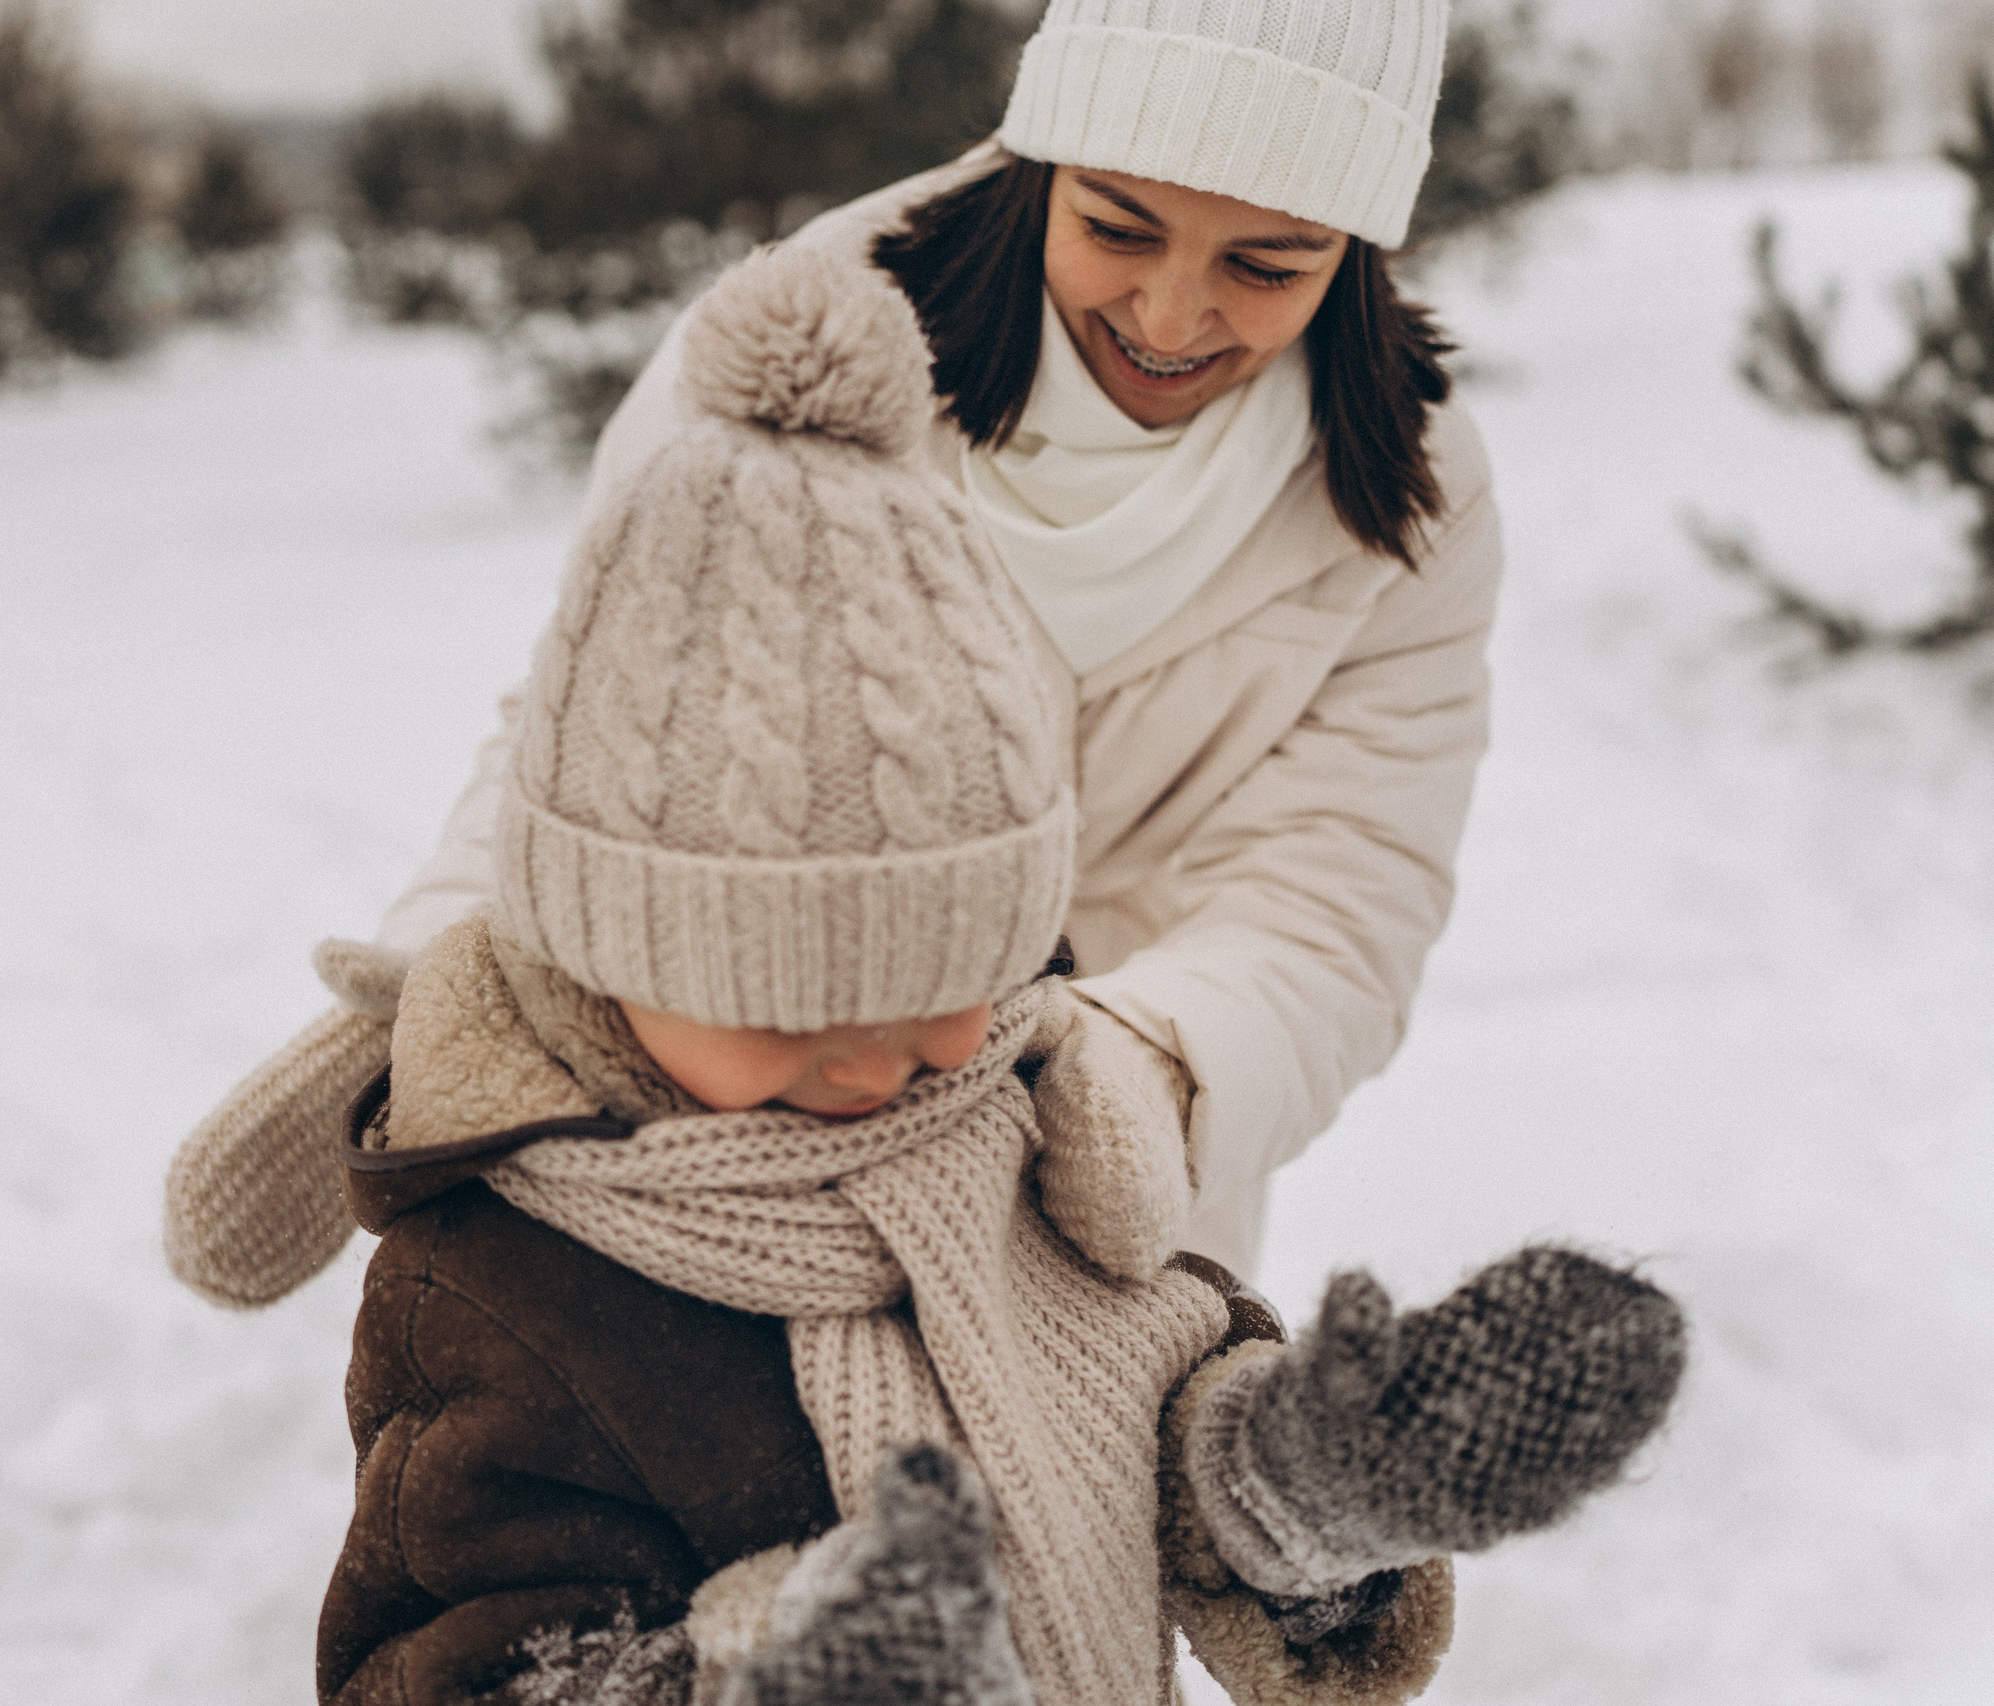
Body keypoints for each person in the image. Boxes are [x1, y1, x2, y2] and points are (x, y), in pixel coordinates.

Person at [277, 249, 1679, 1706]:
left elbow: (1146, 1437)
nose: (877, 1063)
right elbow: (453, 1673)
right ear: (605, 947)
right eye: (786, 1010)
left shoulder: (1015, 1129)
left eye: (941, 985)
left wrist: (1305, 1483)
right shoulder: (511, 1292)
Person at [160, 0, 1503, 1310]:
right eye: (1116, 227)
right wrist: (439, 992)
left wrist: (1142, 1078)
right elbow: (602, 738)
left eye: (1267, 266)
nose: (1168, 315)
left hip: (1107, 1194)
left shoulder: (1408, 495)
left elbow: (1343, 884)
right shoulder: (799, 346)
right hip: (735, 1121)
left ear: (1354, 251)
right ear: (1042, 162)